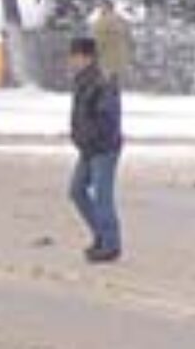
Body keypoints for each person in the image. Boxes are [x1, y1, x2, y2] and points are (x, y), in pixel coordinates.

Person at [68, 37, 122, 263]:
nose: (71, 61)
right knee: (76, 191)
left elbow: (107, 117)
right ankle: (102, 235)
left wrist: (95, 138)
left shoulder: (101, 82)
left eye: (74, 56)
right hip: (88, 147)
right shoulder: (82, 80)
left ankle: (110, 244)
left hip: (103, 148)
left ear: (86, 57)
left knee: (102, 197)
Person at [91, 0, 133, 89]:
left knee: (106, 78)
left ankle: (108, 97)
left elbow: (100, 36)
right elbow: (127, 35)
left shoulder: (104, 20)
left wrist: (97, 49)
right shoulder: (120, 19)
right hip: (119, 53)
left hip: (107, 52)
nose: (101, 8)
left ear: (107, 7)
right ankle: (113, 95)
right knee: (114, 77)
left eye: (102, 6)